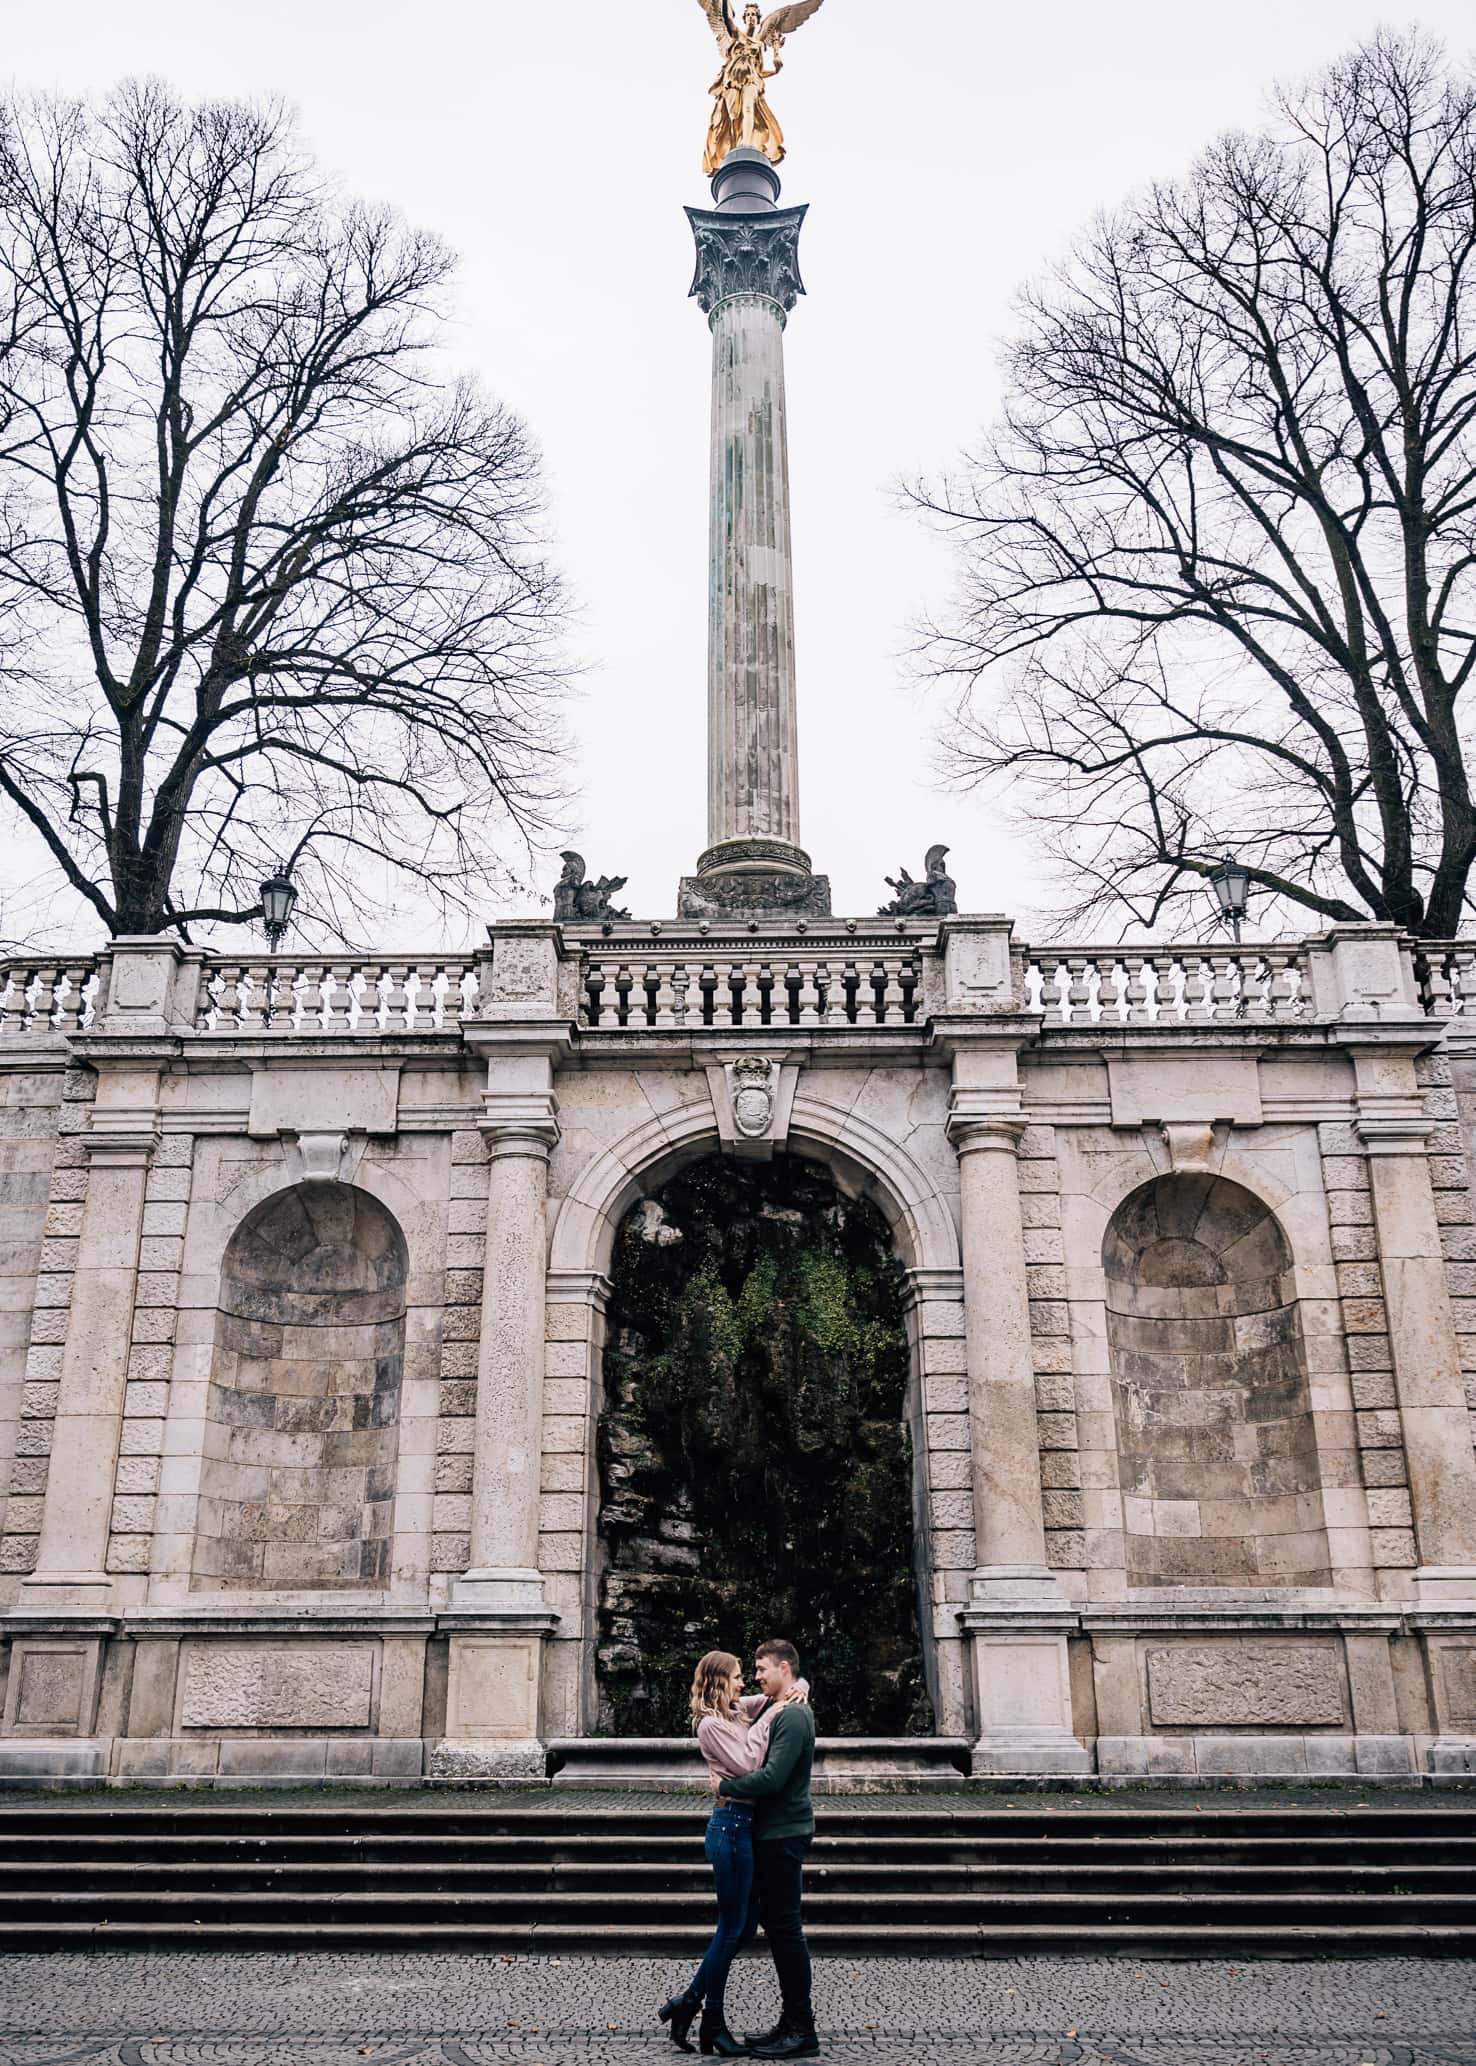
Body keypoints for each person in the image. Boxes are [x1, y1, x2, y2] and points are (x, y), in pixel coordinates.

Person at [658, 1649, 809, 2056]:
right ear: (719, 1681)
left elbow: (787, 1685)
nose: (745, 1683)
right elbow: (749, 1764)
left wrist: (798, 1689)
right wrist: (778, 1714)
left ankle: (688, 2003)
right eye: (739, 1676)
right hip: (730, 1827)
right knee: (731, 1928)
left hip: (744, 1828)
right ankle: (712, 2023)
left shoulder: (737, 1710)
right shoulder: (711, 1725)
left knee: (740, 1928)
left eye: (750, 1674)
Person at [718, 1639, 820, 2060]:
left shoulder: (793, 1715)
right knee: (776, 1928)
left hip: (783, 1833)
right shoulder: (775, 1707)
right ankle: (789, 2022)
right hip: (772, 1832)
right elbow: (730, 1704)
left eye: (761, 1669)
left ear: (783, 1668)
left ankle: (802, 2027)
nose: (756, 1676)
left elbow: (774, 1778)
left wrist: (725, 1787)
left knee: (786, 1929)